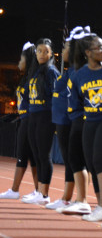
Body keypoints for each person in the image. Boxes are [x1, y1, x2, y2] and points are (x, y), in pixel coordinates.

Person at [72, 34, 102, 222]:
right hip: (89, 121)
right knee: (92, 163)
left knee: (101, 161)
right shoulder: (80, 74)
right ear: (87, 53)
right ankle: (100, 205)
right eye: (99, 48)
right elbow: (78, 99)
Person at [58, 27, 96, 216]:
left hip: (82, 118)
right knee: (76, 160)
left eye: (69, 46)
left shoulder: (83, 70)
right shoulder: (76, 70)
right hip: (76, 118)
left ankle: (83, 200)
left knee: (78, 160)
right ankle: (80, 199)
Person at [22, 38, 59, 205]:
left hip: (46, 116)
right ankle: (38, 190)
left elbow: (55, 97)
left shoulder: (51, 71)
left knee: (44, 155)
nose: (42, 54)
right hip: (34, 116)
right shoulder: (35, 71)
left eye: (46, 51)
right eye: (39, 51)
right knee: (36, 155)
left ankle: (44, 194)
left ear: (51, 54)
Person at [0, 43, 38, 200]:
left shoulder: (34, 77)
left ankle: (19, 190)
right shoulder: (26, 77)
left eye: (21, 59)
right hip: (23, 118)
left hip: (30, 119)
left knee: (27, 155)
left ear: (27, 59)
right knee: (29, 156)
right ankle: (37, 190)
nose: (18, 63)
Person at [46, 35, 76, 210]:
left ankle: (69, 198)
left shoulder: (76, 72)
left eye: (65, 47)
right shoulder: (69, 71)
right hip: (61, 121)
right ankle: (67, 197)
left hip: (68, 120)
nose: (62, 50)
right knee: (68, 160)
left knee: (72, 161)